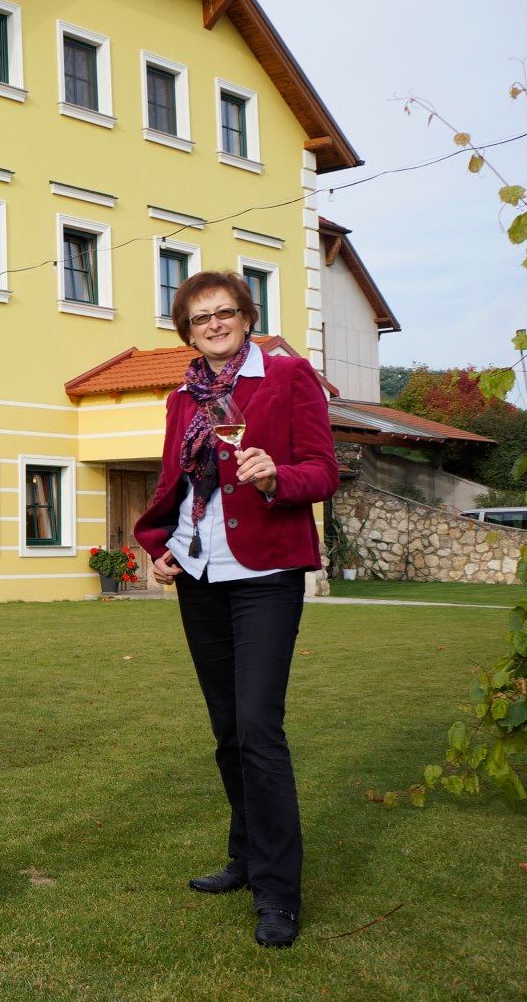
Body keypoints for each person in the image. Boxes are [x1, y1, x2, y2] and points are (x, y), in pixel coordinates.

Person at [134, 270, 339, 948]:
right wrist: (160, 547)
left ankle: (278, 894)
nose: (214, 324)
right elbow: (172, 486)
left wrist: (276, 476)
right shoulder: (179, 399)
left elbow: (322, 470)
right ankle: (246, 859)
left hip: (265, 574)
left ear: (247, 317)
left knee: (257, 726)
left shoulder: (285, 378)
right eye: (199, 318)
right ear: (186, 331)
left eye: (224, 312)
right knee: (227, 728)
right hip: (197, 573)